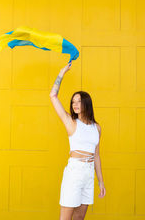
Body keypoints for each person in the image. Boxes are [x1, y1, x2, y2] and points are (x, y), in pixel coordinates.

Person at [49, 62, 106, 220]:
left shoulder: (97, 128)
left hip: (89, 174)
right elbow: (53, 96)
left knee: (80, 218)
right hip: (74, 172)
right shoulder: (71, 122)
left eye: (78, 101)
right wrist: (61, 73)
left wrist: (100, 181)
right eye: (73, 102)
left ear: (86, 103)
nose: (75, 105)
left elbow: (97, 156)